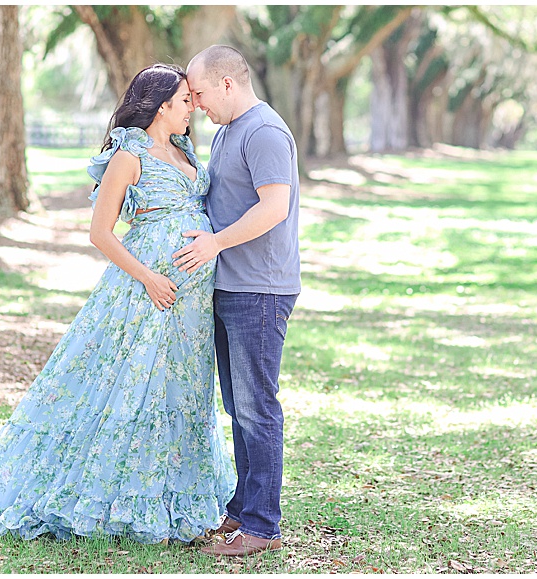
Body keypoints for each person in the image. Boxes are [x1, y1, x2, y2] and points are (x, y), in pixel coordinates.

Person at [0, 63, 235, 545]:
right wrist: (151, 278)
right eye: (185, 101)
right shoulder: (129, 155)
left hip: (193, 305)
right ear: (161, 106)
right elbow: (100, 232)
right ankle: (115, 493)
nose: (192, 108)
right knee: (136, 385)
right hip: (149, 295)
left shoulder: (183, 149)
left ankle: (176, 488)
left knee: (180, 390)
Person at [171, 45, 301, 557]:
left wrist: (215, 243)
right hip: (231, 285)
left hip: (261, 289)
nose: (196, 103)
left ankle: (261, 527)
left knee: (256, 408)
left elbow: (275, 206)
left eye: (199, 93)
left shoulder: (264, 131)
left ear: (226, 84)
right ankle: (241, 510)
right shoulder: (228, 130)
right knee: (238, 406)